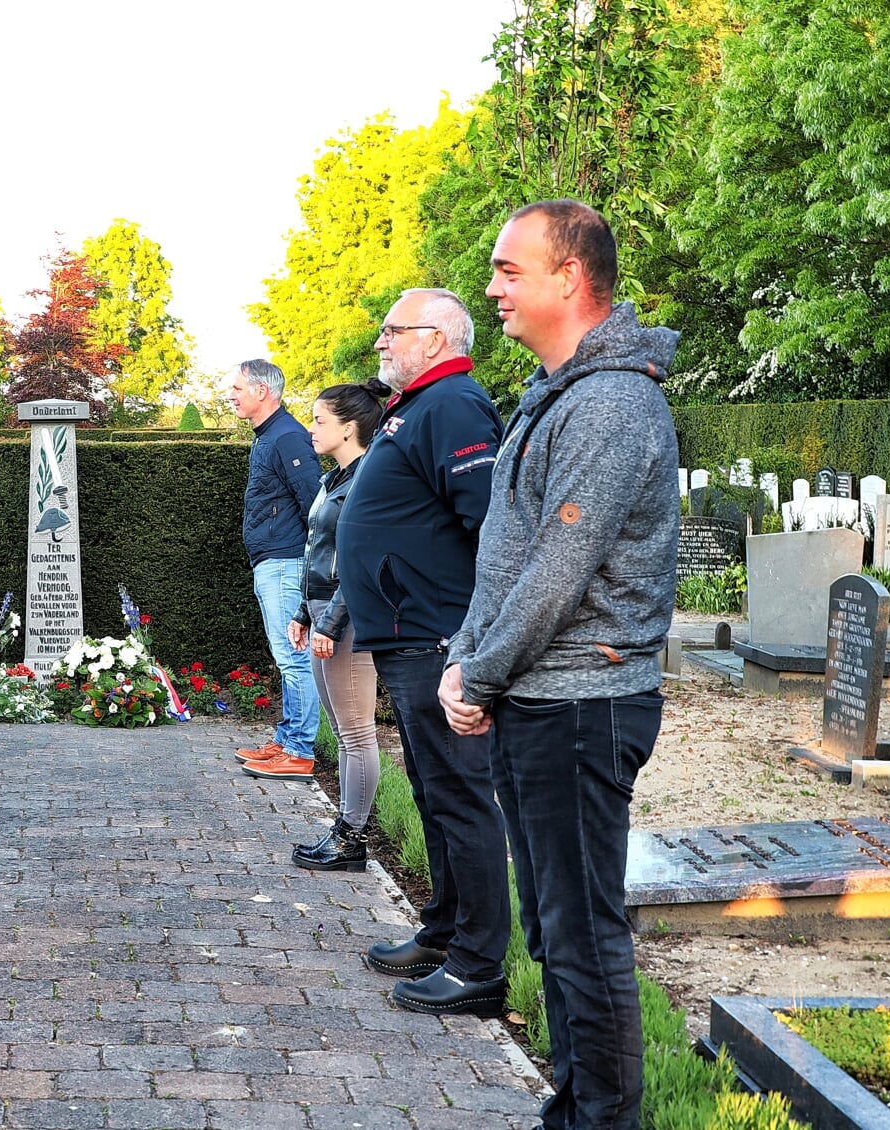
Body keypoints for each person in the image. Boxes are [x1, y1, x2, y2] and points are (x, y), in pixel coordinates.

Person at [442, 199, 678, 1130]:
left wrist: (482, 673)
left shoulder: (615, 402)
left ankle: (600, 1119)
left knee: (582, 937)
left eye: (508, 270)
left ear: (570, 279)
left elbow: (558, 570)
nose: (491, 287)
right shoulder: (560, 393)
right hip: (538, 698)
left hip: (581, 705)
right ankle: (574, 1107)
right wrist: (470, 659)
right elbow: (506, 552)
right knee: (551, 928)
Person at [334, 287, 512, 1019]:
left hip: (437, 636)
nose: (381, 343)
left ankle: (478, 965)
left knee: (461, 794)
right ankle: (445, 928)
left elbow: (492, 531)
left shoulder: (454, 407)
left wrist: (468, 641)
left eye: (392, 331)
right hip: (409, 635)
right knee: (436, 792)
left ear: (436, 338)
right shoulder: (418, 406)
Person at [281, 381, 389, 871]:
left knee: (356, 731)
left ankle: (352, 839)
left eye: (320, 420)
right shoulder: (335, 479)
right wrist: (306, 612)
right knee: (344, 733)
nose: (311, 428)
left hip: (348, 618)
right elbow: (316, 554)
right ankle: (345, 830)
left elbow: (360, 560)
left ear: (349, 428)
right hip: (325, 613)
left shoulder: (370, 478)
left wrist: (331, 620)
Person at [226, 358, 323, 781]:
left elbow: (315, 505)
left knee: (294, 657)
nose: (231, 395)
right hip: (274, 561)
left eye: (237, 388)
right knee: (287, 657)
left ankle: (299, 751)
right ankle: (286, 741)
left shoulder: (287, 438)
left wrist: (311, 564)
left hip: (286, 562)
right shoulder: (270, 436)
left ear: (262, 392)